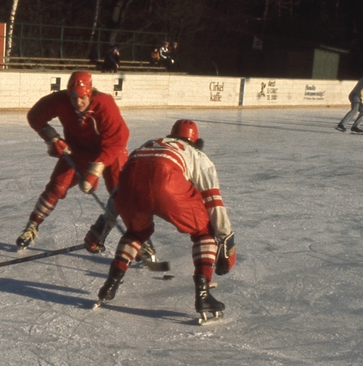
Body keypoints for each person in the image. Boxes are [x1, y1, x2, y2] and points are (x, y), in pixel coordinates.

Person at [95, 119, 236, 323]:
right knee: (203, 232)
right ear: (195, 142)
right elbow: (213, 201)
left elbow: (120, 189)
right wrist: (225, 238)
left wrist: (104, 224)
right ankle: (203, 294)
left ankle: (111, 282)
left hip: (130, 185)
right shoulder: (198, 155)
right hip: (166, 182)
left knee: (136, 232)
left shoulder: (149, 144)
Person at [16, 70, 130, 254]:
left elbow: (118, 139)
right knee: (56, 187)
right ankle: (31, 227)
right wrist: (52, 138)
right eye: (73, 98)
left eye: (83, 98)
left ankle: (138, 238)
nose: (78, 103)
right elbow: (35, 116)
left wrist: (94, 171)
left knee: (121, 193)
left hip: (110, 152)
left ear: (90, 93)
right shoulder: (60, 100)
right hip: (78, 150)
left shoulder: (105, 104)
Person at [336, 66, 363, 134]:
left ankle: (355, 127)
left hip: (357, 97)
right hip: (355, 95)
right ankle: (341, 125)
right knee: (354, 110)